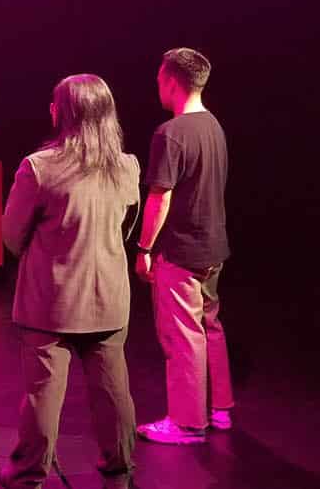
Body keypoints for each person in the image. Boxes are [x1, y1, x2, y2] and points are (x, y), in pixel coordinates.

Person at [0, 75, 140, 488]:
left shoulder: (39, 167)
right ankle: (120, 473)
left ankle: (27, 475)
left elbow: (11, 236)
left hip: (50, 301)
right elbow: (125, 227)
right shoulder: (127, 167)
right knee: (114, 393)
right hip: (109, 298)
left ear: (62, 112)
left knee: (43, 395)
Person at [133, 47, 234, 445]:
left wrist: (143, 249)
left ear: (172, 81)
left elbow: (161, 198)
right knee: (210, 327)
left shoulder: (170, 133)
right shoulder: (214, 126)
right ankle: (220, 408)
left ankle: (188, 423)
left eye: (159, 78)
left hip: (182, 250)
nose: (157, 85)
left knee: (182, 335)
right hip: (213, 247)